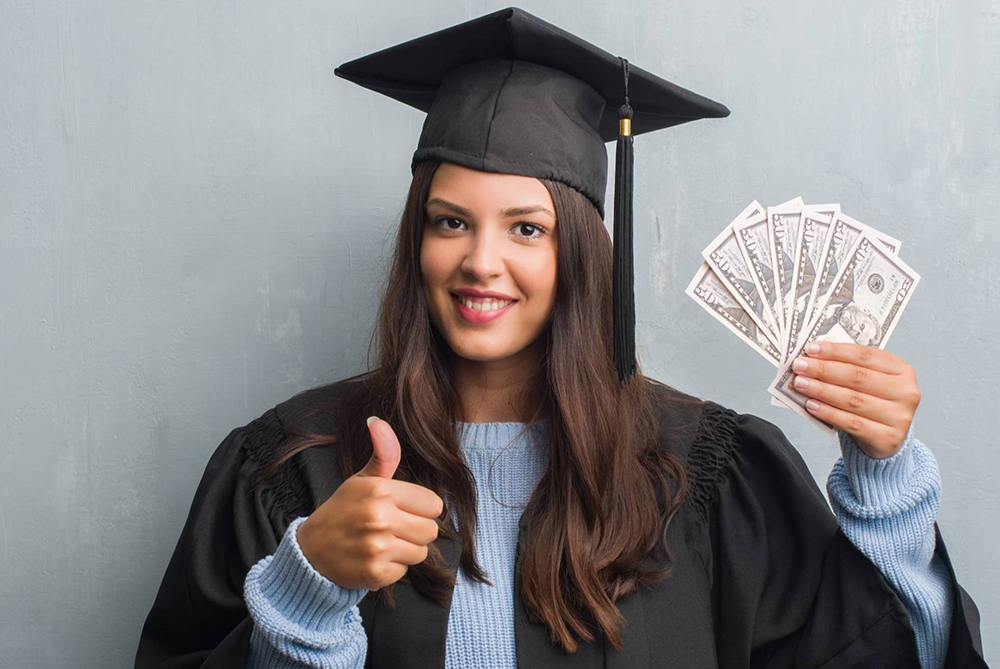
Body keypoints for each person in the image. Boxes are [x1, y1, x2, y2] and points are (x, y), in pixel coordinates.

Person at [133, 7, 988, 669]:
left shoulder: (709, 477)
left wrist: (884, 482)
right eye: (449, 220)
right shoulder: (297, 469)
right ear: (416, 239)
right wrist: (306, 587)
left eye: (527, 229)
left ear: (581, 250)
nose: (481, 261)